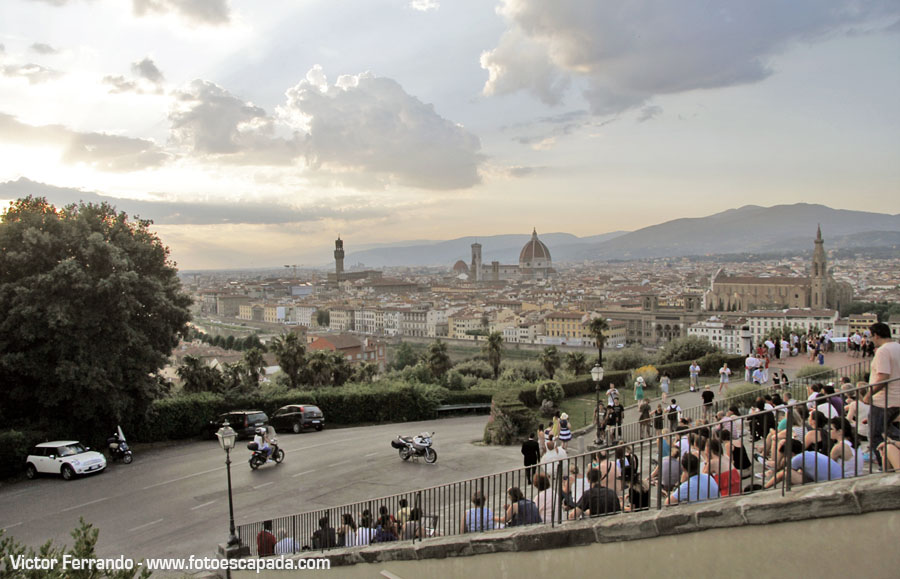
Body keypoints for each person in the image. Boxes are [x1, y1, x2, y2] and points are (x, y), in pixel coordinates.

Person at [863, 322, 900, 467]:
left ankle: (884, 465)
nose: (872, 340)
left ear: (876, 335)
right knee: (890, 431)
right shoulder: (898, 347)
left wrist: (868, 394)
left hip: (883, 400)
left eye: (872, 337)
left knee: (875, 435)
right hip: (896, 399)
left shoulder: (883, 351)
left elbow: (883, 377)